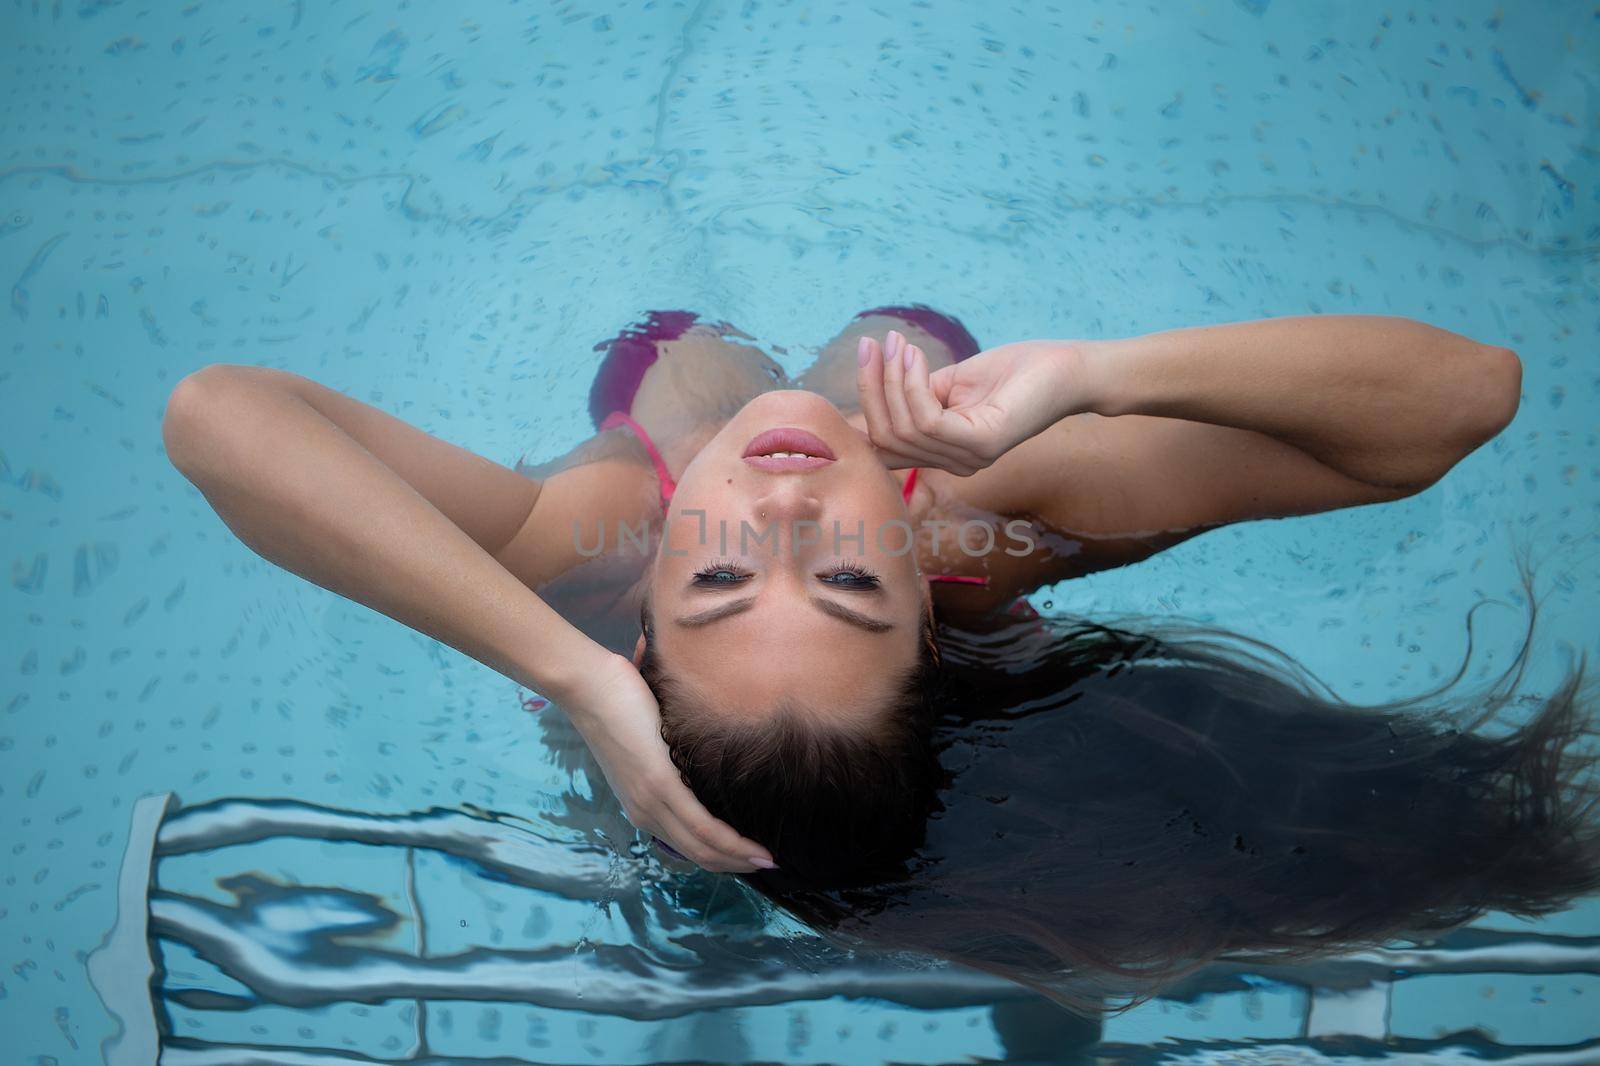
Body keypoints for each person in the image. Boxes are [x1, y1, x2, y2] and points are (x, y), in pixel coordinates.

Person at [161, 307, 1600, 1012]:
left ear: (647, 606)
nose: (781, 508)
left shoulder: (594, 533)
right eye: (840, 574)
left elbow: (220, 415)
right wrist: (1093, 379)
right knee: (890, 348)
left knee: (686, 358)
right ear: (926, 600)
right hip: (724, 727)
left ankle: (1019, 1010)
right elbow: (1464, 404)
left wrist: (583, 672)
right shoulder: (995, 529)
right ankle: (1048, 1011)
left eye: (724, 571)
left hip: (675, 681)